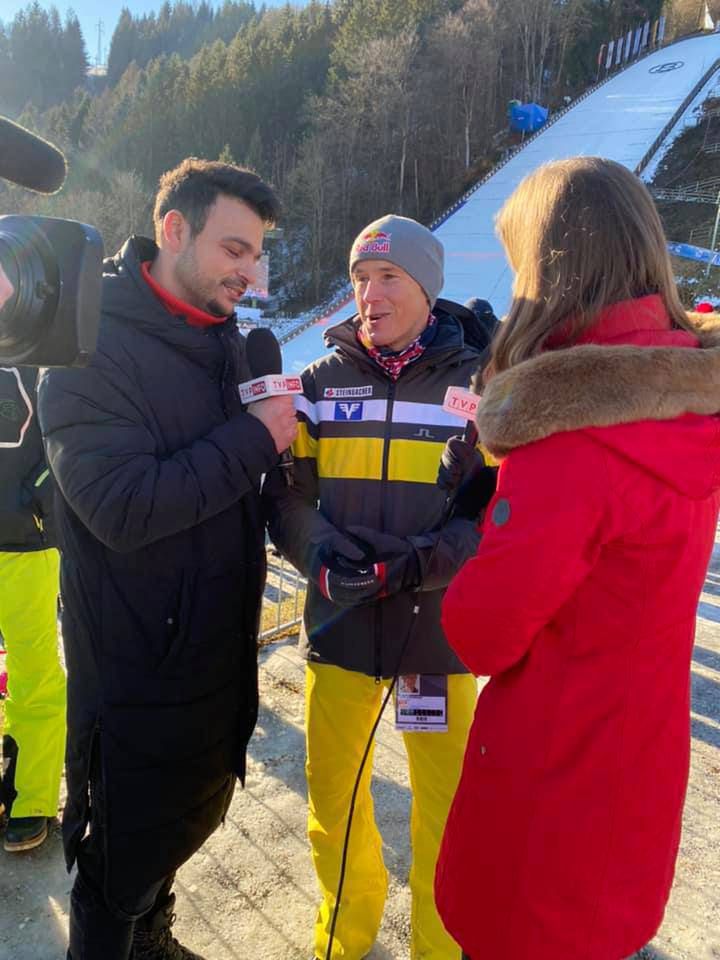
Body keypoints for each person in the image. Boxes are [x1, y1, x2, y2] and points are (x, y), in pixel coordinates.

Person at [434, 157, 720, 960]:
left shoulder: (573, 440)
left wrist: (486, 518)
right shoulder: (686, 402)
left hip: (549, 793)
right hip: (635, 768)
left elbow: (482, 633)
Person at [38, 159, 297, 960]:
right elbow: (123, 508)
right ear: (173, 230)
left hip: (219, 661)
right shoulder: (85, 346)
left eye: (256, 256)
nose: (248, 274)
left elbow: (258, 490)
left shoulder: (236, 344)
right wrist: (257, 437)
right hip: (134, 675)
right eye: (233, 250)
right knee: (115, 865)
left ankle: (153, 933)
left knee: (185, 822)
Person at [266, 214, 494, 960]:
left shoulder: (480, 384)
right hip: (341, 623)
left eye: (388, 277)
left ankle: (440, 946)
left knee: (445, 810)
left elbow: (492, 509)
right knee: (332, 802)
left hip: (435, 634)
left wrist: (421, 565)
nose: (369, 294)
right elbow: (286, 497)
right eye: (360, 279)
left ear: (427, 287)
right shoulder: (320, 384)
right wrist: (322, 556)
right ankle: (344, 929)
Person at [0, 365, 65, 852]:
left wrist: (35, 498)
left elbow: (63, 434)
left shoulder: (35, 345)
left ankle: (33, 798)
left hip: (24, 544)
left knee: (33, 670)